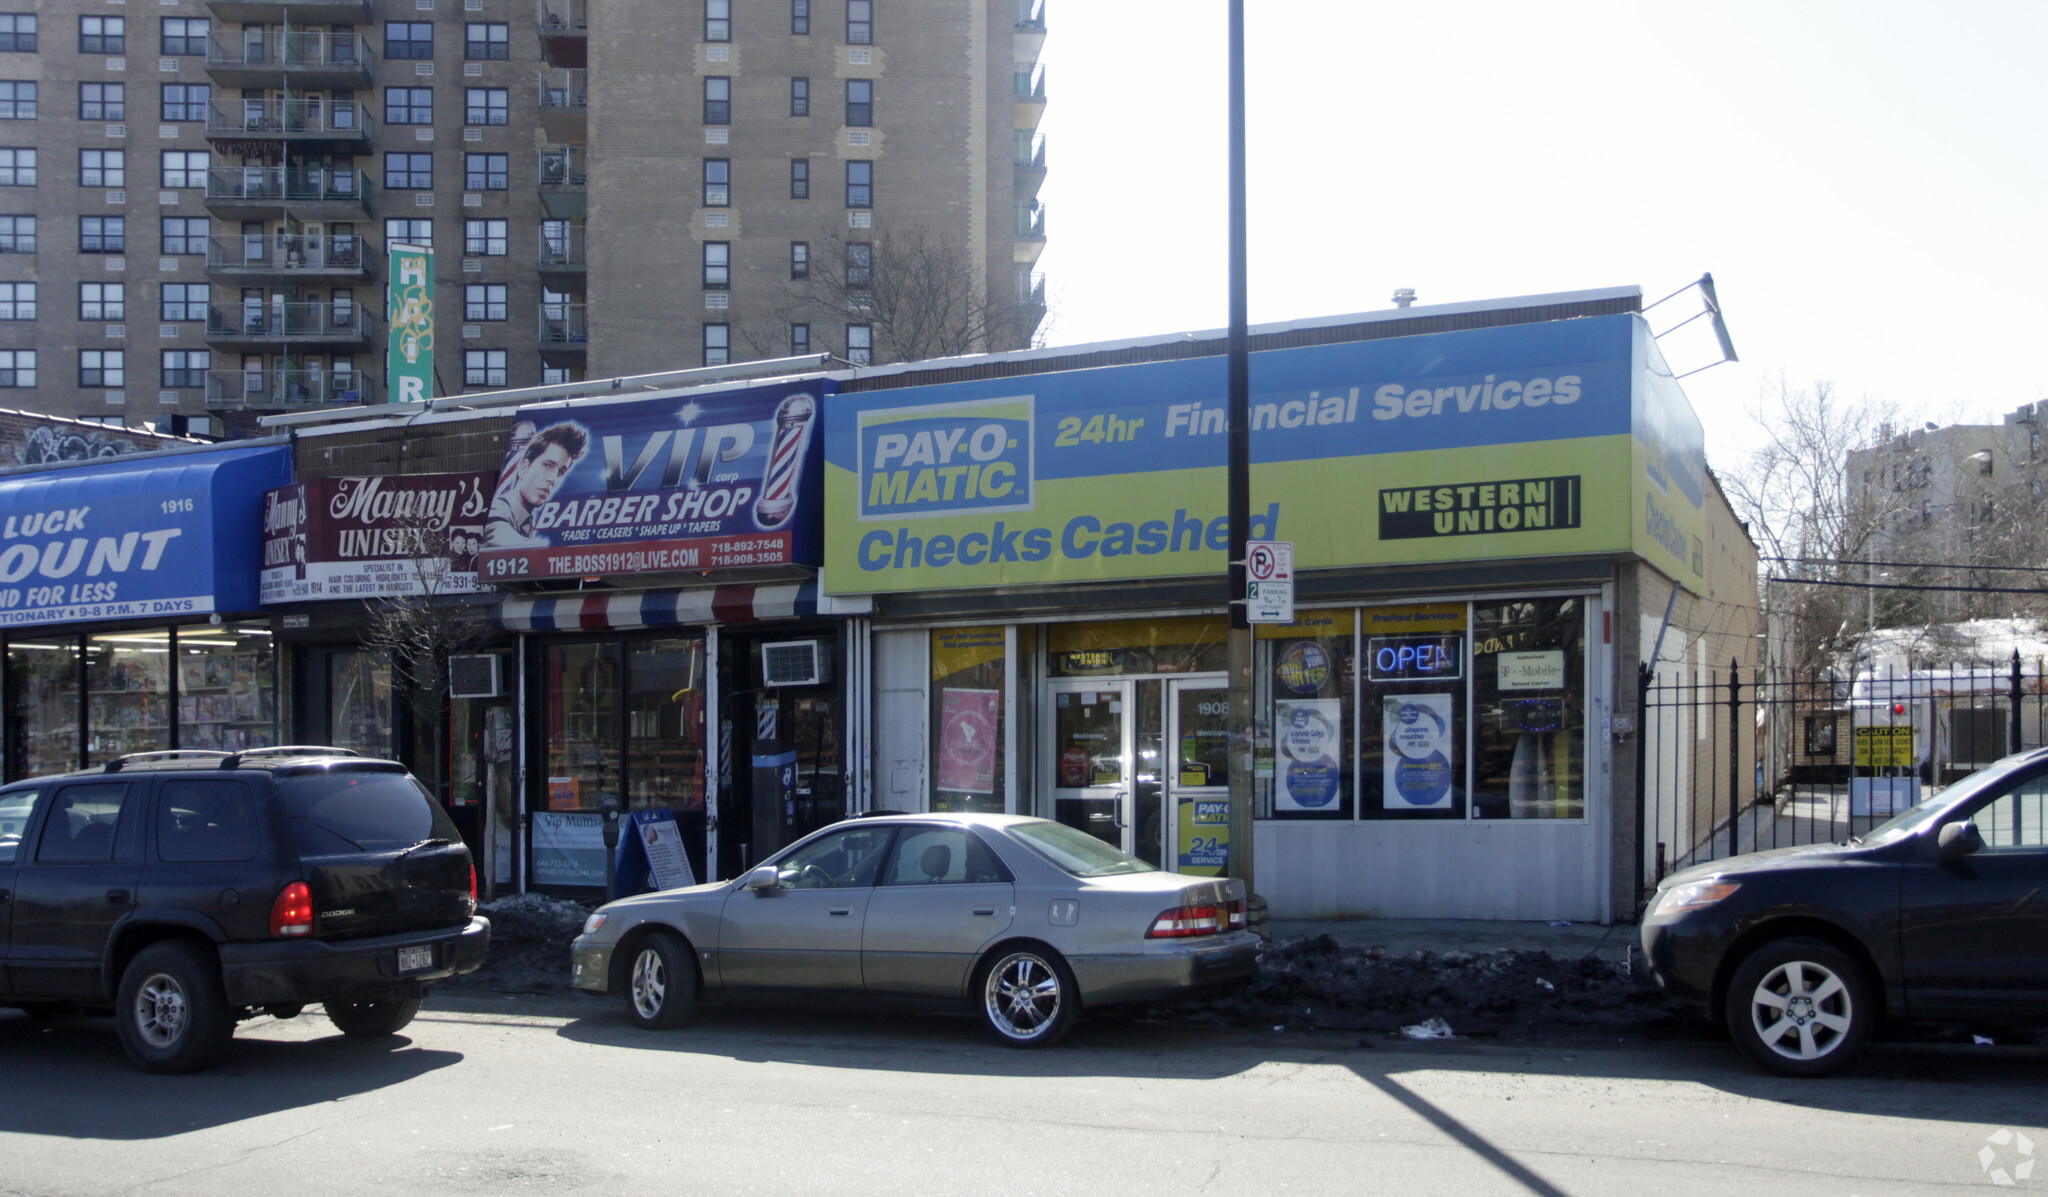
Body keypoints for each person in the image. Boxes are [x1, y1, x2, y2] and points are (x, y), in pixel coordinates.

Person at [484, 421, 588, 549]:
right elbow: (501, 538)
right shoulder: (499, 511)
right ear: (524, 468)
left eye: (560, 472)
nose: (552, 479)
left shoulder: (527, 523)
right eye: (547, 465)